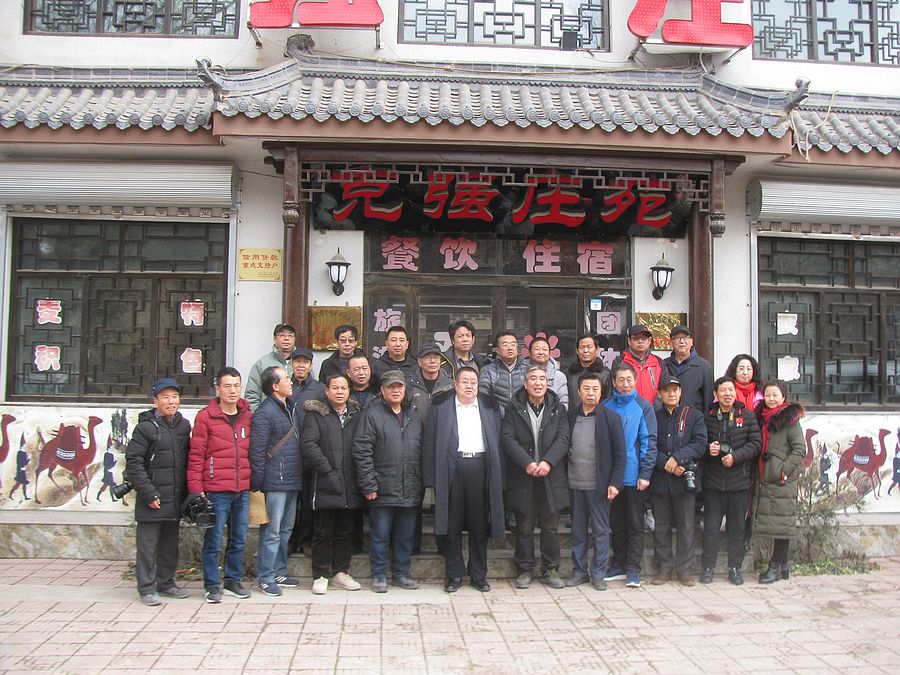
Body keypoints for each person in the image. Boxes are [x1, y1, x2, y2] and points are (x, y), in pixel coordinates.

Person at [423, 367, 504, 593]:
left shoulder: (489, 407)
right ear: (455, 385)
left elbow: (499, 442)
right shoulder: (441, 408)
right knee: (453, 523)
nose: (469, 386)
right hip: (452, 467)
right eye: (465, 381)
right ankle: (454, 574)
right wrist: (430, 479)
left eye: (473, 382)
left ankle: (478, 574)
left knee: (479, 524)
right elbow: (429, 443)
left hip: (480, 467)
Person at [352, 370, 424, 593]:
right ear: (382, 391)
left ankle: (402, 573)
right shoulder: (372, 415)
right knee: (380, 535)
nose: (395, 390)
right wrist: (369, 484)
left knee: (405, 536)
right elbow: (362, 451)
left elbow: (422, 449)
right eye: (391, 387)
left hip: (410, 486)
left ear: (405, 389)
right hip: (382, 488)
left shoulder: (414, 416)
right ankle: (379, 575)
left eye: (399, 386)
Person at [501, 365, 571, 589]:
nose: (538, 383)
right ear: (525, 383)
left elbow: (563, 439)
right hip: (524, 476)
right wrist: (527, 463)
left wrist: (548, 462)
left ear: (547, 383)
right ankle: (524, 569)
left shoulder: (558, 408)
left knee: (550, 527)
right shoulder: (513, 407)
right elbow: (508, 439)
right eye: (533, 379)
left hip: (552, 476)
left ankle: (551, 569)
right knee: (524, 526)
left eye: (542, 379)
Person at [187, 367, 253, 604]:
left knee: (239, 538)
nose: (233, 390)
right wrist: (197, 490)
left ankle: (233, 580)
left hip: (241, 488)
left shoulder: (247, 415)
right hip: (216, 490)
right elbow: (196, 456)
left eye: (236, 385)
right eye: (227, 386)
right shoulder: (206, 417)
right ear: (218, 389)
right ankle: (212, 585)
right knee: (214, 539)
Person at [125, 378, 192, 606]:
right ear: (155, 401)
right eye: (165, 397)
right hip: (152, 498)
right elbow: (134, 464)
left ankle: (166, 583)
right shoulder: (145, 428)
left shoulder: (183, 426)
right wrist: (149, 494)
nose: (171, 401)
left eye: (174, 396)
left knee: (169, 546)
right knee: (147, 546)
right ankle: (146, 588)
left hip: (174, 497)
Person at [300, 373, 365, 595]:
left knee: (345, 531)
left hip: (349, 481)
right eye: (335, 388)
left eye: (343, 388)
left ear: (349, 391)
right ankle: (320, 574)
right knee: (323, 532)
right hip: (325, 481)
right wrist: (327, 470)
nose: (340, 392)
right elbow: (309, 445)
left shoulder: (356, 414)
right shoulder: (316, 415)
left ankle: (341, 572)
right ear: (327, 391)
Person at [565, 372, 626, 591]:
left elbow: (620, 454)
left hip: (599, 486)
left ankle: (598, 573)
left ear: (601, 392)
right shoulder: (570, 417)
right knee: (578, 532)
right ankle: (579, 571)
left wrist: (615, 483)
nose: (591, 393)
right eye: (586, 389)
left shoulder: (611, 418)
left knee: (601, 531)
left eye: (595, 389)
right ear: (579, 391)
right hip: (574, 484)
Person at [700, 376, 761, 586]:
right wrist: (708, 449)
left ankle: (735, 567)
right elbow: (698, 442)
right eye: (723, 390)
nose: (727, 394)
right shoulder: (707, 417)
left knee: (737, 529)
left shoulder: (748, 416)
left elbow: (755, 444)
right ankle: (708, 567)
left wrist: (736, 457)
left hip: (739, 482)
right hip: (713, 483)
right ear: (715, 394)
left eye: (731, 390)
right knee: (711, 528)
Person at [603, 362, 657, 588]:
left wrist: (645, 472)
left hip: (634, 476)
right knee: (616, 523)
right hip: (611, 477)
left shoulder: (643, 406)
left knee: (635, 524)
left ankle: (633, 568)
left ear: (635, 381)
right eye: (621, 380)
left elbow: (648, 441)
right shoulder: (605, 406)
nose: (625, 384)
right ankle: (619, 563)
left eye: (629, 380)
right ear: (614, 382)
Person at [249, 366, 302, 597]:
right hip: (274, 481)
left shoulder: (290, 407)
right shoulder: (265, 413)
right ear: (274, 386)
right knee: (271, 531)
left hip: (292, 477)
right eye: (286, 379)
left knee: (286, 529)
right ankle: (266, 577)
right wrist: (259, 483)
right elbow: (257, 451)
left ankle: (279, 571)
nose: (290, 382)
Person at [649, 374, 706, 586]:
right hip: (661, 478)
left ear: (680, 392)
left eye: (674, 390)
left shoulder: (694, 415)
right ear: (659, 394)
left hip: (685, 478)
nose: (671, 394)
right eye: (666, 390)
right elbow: (648, 445)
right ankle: (664, 568)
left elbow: (700, 443)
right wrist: (666, 463)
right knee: (661, 526)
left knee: (686, 526)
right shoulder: (653, 416)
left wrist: (677, 459)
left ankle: (685, 569)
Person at [754, 379, 806, 584]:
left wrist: (783, 470)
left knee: (781, 524)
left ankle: (774, 566)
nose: (771, 398)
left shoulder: (789, 420)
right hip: (766, 478)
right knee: (777, 522)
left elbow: (799, 449)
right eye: (767, 395)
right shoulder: (762, 418)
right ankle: (783, 566)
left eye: (775, 395)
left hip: (782, 480)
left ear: (783, 397)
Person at [286, 346, 326, 557]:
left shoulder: (320, 389)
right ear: (291, 364)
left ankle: (307, 540)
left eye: (305, 362)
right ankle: (291, 540)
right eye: (297, 362)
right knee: (291, 500)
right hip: (288, 453)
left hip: (311, 452)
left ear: (311, 365)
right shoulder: (284, 386)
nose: (301, 366)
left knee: (310, 499)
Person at [245, 323, 297, 410]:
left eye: (290, 335)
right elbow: (252, 395)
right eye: (282, 335)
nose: (286, 338)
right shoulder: (262, 363)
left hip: (295, 414)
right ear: (274, 338)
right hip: (268, 413)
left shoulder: (302, 364)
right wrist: (257, 414)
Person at [662, 326, 713, 411]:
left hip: (694, 417)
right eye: (677, 338)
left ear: (691, 342)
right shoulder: (663, 365)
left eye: (685, 337)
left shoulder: (704, 366)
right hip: (667, 416)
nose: (682, 341)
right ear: (671, 343)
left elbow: (708, 399)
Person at [479, 330, 527, 417]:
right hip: (497, 418)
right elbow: (483, 398)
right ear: (497, 350)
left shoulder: (527, 369)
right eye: (505, 345)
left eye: (513, 344)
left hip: (522, 419)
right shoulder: (488, 371)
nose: (510, 348)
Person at [612, 325, 663, 407]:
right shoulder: (620, 361)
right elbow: (615, 388)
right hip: (627, 409)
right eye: (636, 338)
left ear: (649, 341)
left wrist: (653, 409)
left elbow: (663, 388)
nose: (640, 341)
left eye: (644, 338)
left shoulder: (658, 362)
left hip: (654, 411)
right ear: (629, 341)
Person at [408, 343, 455, 420]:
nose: (432, 361)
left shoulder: (450, 385)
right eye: (427, 357)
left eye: (436, 357)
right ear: (419, 362)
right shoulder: (410, 384)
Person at [565, 333, 611, 406]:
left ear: (597, 349)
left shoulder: (606, 374)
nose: (586, 350)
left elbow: (609, 400)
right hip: (573, 413)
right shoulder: (569, 373)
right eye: (582, 347)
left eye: (589, 347)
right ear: (577, 351)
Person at [526, 336, 569, 409]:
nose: (541, 352)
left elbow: (563, 405)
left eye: (544, 349)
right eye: (537, 349)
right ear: (529, 353)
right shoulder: (521, 373)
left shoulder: (559, 376)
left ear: (549, 353)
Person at [8, 435, 30, 501]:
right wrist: (28, 460)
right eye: (23, 445)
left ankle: (25, 496)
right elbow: (20, 462)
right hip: (20, 470)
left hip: (22, 470)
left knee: (22, 483)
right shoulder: (20, 453)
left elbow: (24, 462)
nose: (24, 447)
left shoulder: (24, 453)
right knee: (18, 484)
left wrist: (27, 460)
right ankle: (11, 495)